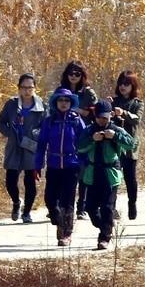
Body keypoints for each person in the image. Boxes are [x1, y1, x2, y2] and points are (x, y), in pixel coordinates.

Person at [77, 101, 137, 251]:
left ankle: (105, 237)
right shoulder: (89, 130)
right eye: (99, 117)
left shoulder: (116, 129)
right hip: (92, 173)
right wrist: (92, 139)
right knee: (90, 207)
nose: (102, 120)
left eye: (105, 117)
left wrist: (116, 137)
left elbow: (132, 144)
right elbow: (79, 147)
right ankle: (106, 225)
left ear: (110, 115)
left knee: (107, 207)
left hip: (110, 174)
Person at [35, 88, 86, 247]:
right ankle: (58, 219)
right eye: (60, 100)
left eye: (67, 101)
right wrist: (38, 166)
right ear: (56, 103)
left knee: (67, 200)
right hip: (54, 164)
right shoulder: (49, 122)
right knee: (50, 198)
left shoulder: (76, 121)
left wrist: (85, 163)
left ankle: (66, 233)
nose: (63, 103)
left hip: (72, 166)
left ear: (71, 103)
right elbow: (42, 144)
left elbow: (84, 143)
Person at [0, 73, 45, 223]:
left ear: (35, 88)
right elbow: (1, 122)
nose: (27, 91)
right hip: (14, 146)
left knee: (30, 181)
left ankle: (27, 212)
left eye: (30, 87)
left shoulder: (42, 106)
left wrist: (36, 135)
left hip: (31, 147)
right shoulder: (11, 104)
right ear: (19, 88)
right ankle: (17, 202)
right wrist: (10, 133)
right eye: (24, 87)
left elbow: (46, 126)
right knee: (10, 180)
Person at [55, 61, 99, 221]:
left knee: (83, 172)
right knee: (62, 171)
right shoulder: (60, 90)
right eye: (71, 73)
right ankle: (60, 204)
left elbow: (96, 113)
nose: (73, 76)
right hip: (63, 135)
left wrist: (78, 110)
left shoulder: (88, 93)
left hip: (83, 135)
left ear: (82, 76)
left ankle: (82, 207)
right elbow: (53, 109)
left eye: (77, 74)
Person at [109, 71, 145, 221]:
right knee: (113, 177)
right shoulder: (113, 101)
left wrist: (123, 113)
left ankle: (132, 203)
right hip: (113, 146)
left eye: (126, 84)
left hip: (130, 147)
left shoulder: (137, 103)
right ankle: (111, 207)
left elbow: (137, 119)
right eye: (121, 83)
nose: (122, 86)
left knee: (130, 178)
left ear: (133, 86)